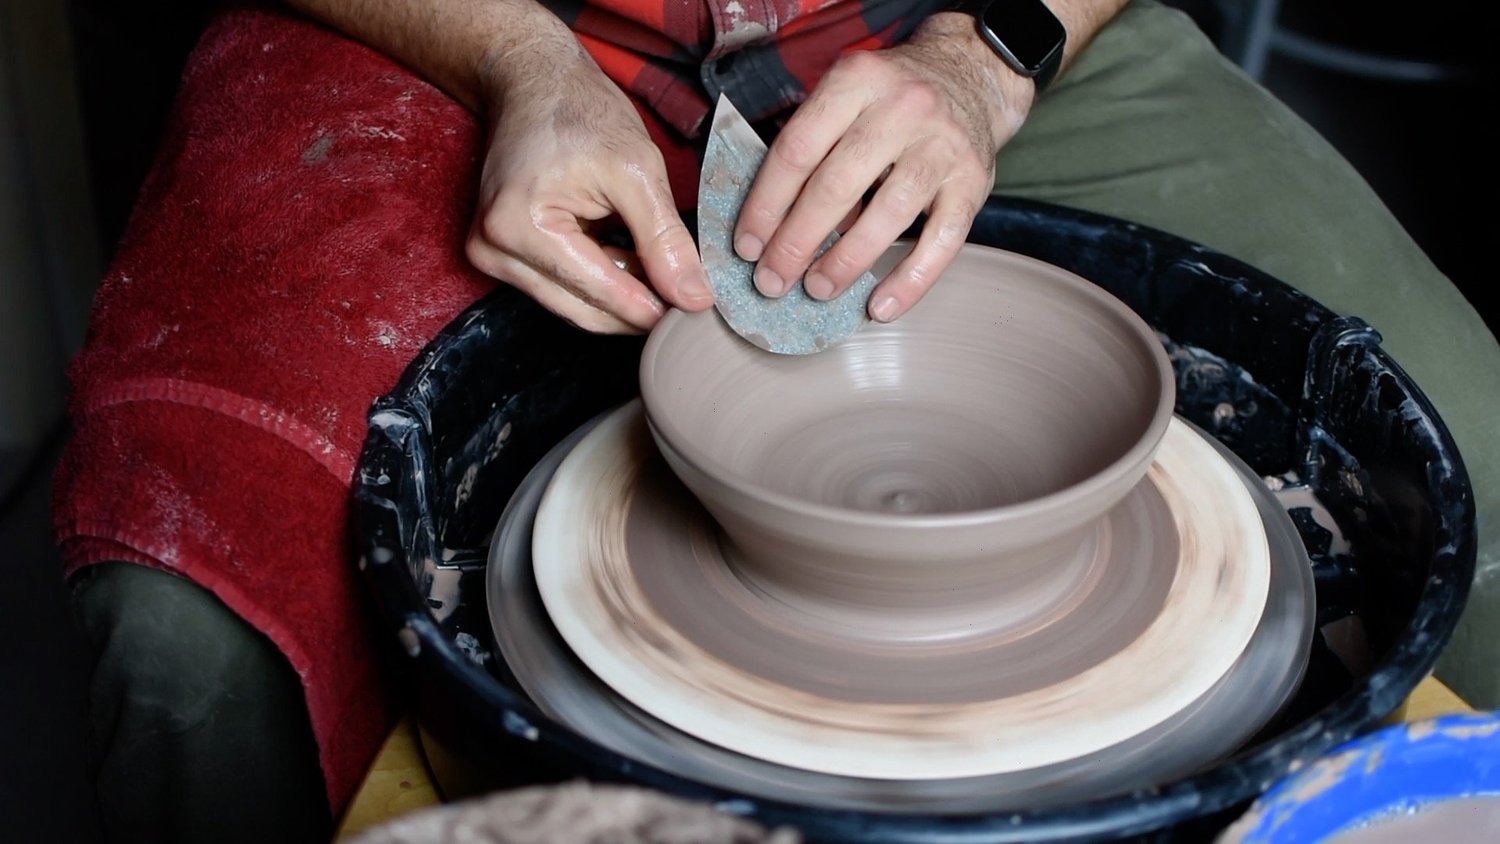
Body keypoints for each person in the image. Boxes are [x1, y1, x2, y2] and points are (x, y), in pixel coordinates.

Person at [56, 0, 1499, 841]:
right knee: (187, 642)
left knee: (1464, 433)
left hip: (947, 36)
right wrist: (516, 61)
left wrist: (991, 54)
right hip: (470, 38)